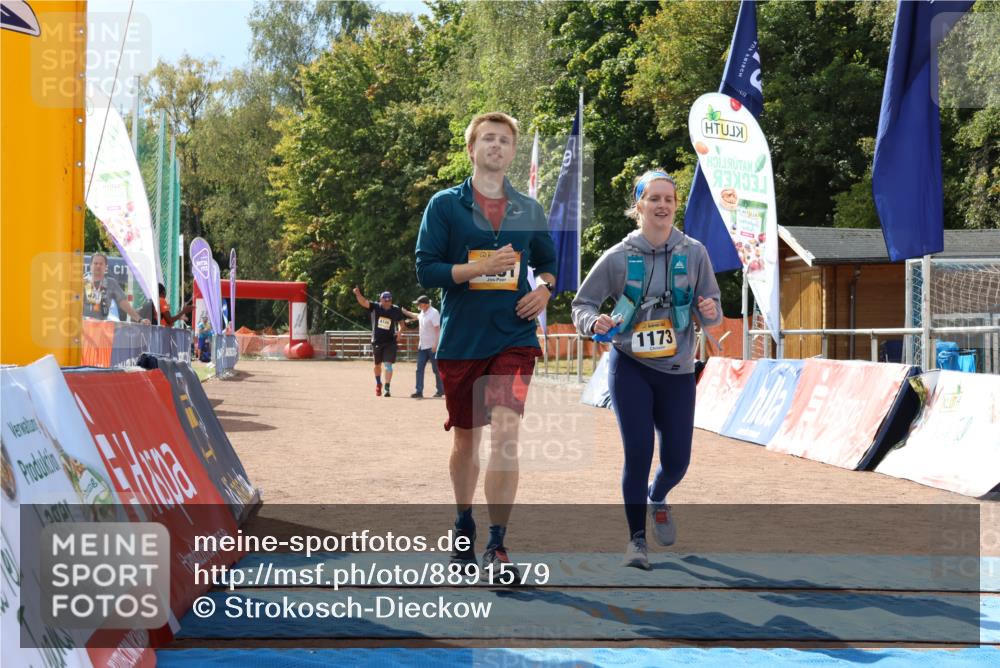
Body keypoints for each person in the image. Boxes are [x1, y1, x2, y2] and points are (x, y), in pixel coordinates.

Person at [415, 111, 557, 579]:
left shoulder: (528, 210)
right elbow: (427, 270)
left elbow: (550, 262)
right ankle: (462, 520)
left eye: (504, 140)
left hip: (514, 337)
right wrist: (477, 268)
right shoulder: (444, 205)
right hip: (462, 340)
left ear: (513, 152)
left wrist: (545, 290)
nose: (496, 146)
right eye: (488, 139)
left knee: (506, 432)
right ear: (472, 148)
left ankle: (497, 545)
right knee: (466, 440)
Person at [571, 170, 722, 570]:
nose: (662, 205)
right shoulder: (618, 257)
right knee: (637, 453)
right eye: (653, 198)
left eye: (668, 199)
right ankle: (636, 541)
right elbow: (582, 305)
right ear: (638, 206)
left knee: (677, 462)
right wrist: (594, 323)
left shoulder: (695, 253)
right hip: (630, 366)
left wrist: (710, 311)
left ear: (676, 205)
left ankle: (659, 495)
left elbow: (713, 307)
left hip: (677, 370)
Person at [352, 288, 419, 398]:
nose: (387, 302)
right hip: (377, 341)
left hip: (390, 342)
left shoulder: (396, 310)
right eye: (385, 300)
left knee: (388, 365)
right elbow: (363, 302)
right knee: (377, 365)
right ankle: (378, 383)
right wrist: (358, 293)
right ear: (381, 300)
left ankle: (387, 388)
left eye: (389, 300)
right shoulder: (375, 307)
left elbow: (402, 324)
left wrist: (400, 333)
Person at [83, 252, 148, 323]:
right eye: (95, 263)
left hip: (102, 327)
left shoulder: (111, 283)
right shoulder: (83, 282)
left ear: (105, 267)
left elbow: (124, 304)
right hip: (83, 325)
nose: (98, 266)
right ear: (91, 265)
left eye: (101, 264)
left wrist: (139, 319)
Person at [410, 295, 444, 399]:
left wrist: (436, 344)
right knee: (419, 369)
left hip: (432, 346)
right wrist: (406, 312)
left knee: (436, 370)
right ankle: (418, 391)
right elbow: (417, 316)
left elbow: (438, 329)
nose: (418, 306)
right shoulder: (423, 312)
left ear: (425, 304)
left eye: (419, 304)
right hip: (422, 346)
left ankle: (440, 390)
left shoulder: (434, 313)